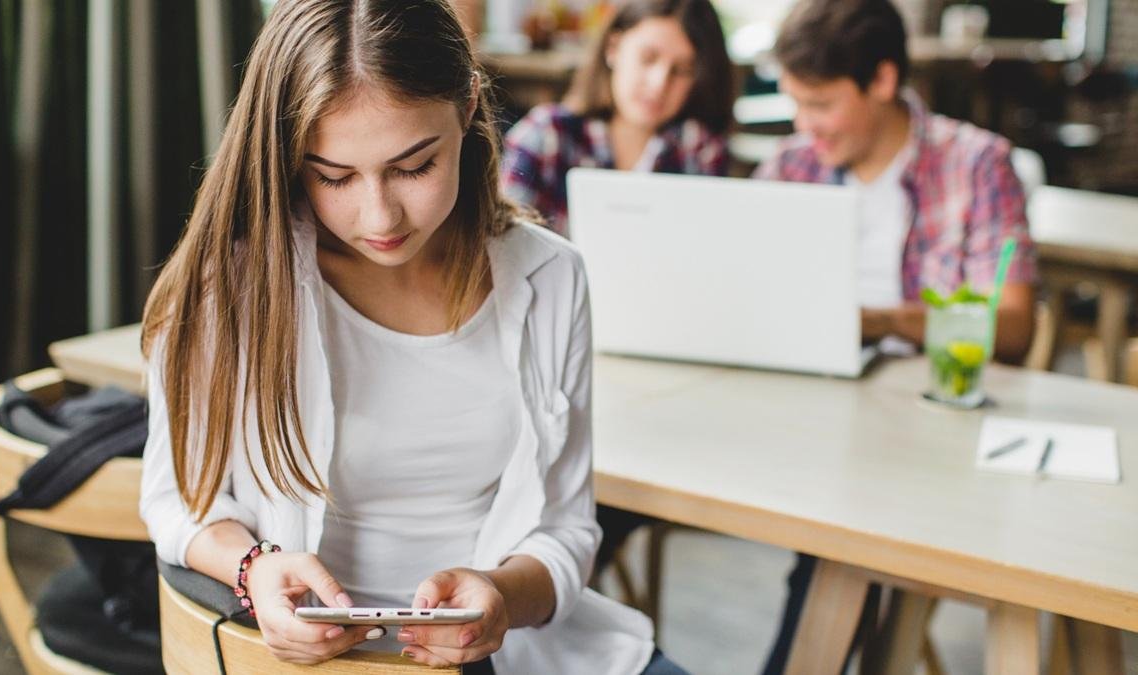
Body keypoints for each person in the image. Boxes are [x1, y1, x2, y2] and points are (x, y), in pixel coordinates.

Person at [138, 2, 683, 673]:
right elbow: (175, 499)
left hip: (522, 651)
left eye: (414, 166)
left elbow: (566, 530)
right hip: (320, 663)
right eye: (334, 176)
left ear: (468, 107)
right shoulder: (232, 292)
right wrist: (252, 567)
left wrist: (503, 597)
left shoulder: (552, 277)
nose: (379, 214)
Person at [753, 1, 1038, 672]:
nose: (804, 125)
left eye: (820, 103)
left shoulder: (977, 165)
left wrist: (880, 321)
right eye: (796, 103)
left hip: (921, 429)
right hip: (801, 412)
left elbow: (1016, 328)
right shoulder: (791, 165)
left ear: (881, 81)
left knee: (838, 555)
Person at [500, 0, 733, 237]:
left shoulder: (701, 149)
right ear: (614, 48)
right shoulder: (547, 135)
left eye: (682, 69)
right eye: (648, 58)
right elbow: (502, 245)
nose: (659, 84)